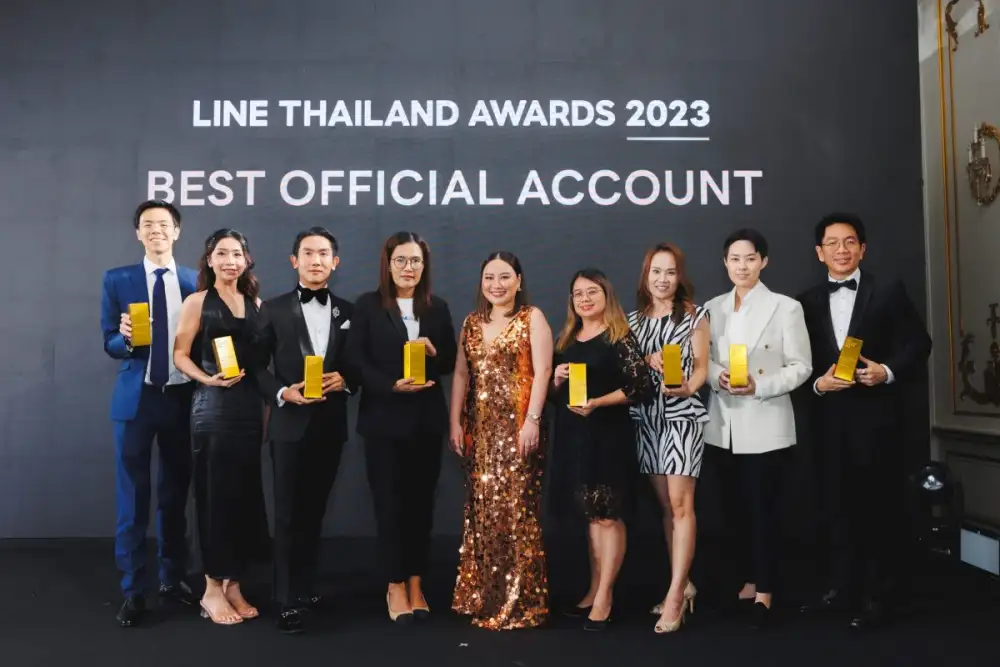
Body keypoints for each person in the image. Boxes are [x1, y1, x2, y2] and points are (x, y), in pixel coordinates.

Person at [797, 213, 931, 630]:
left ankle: (877, 596)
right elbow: (798, 364)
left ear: (863, 249)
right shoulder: (805, 302)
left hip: (877, 422)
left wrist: (885, 371)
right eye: (832, 243)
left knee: (878, 508)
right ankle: (839, 589)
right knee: (833, 507)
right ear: (819, 252)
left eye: (850, 242)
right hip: (827, 423)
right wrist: (818, 385)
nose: (842, 250)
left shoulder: (888, 291)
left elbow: (919, 343)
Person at [703, 228, 812, 629]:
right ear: (725, 263)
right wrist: (716, 377)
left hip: (766, 422)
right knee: (732, 511)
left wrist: (760, 386)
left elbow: (801, 366)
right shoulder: (712, 308)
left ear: (763, 261)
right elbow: (703, 359)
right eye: (735, 259)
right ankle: (747, 581)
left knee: (765, 510)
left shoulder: (785, 307)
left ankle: (766, 588)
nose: (742, 266)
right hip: (723, 424)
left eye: (750, 258)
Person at [346, 231, 457, 624]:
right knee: (390, 504)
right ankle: (394, 583)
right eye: (401, 261)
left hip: (425, 421)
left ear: (424, 266)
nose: (408, 268)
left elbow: (449, 362)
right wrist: (390, 385)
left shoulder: (438, 308)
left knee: (421, 506)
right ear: (388, 264)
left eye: (415, 261)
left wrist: (435, 352)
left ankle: (415, 581)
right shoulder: (368, 305)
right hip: (384, 421)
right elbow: (355, 361)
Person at [252, 227, 357, 635]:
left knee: (314, 512)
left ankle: (305, 586)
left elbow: (359, 364)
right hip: (289, 426)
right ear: (294, 261)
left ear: (335, 262)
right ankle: (286, 599)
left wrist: (346, 379)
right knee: (287, 514)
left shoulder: (349, 311)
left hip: (330, 426)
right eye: (308, 253)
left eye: (324, 253)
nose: (316, 260)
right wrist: (282, 393)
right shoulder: (272, 309)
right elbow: (255, 367)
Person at [100, 200, 199, 627]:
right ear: (138, 233)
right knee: (133, 497)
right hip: (135, 400)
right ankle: (133, 589)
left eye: (163, 224)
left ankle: (172, 578)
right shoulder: (118, 279)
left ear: (176, 231)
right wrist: (123, 338)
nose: (156, 230)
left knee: (175, 494)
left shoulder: (196, 281)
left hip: (181, 398)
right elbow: (108, 341)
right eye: (147, 225)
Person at [450, 252, 553, 630]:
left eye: (505, 277)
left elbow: (543, 371)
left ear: (519, 281)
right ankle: (483, 595)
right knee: (483, 512)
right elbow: (461, 375)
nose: (497, 284)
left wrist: (532, 421)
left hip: (519, 432)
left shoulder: (532, 318)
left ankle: (521, 601)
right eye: (489, 277)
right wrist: (455, 422)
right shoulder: (471, 322)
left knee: (515, 513)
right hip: (479, 432)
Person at [172, 229, 269, 626]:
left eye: (237, 254)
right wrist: (206, 379)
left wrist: (266, 412)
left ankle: (233, 583)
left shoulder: (256, 303)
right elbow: (180, 354)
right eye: (222, 254)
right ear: (209, 260)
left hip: (249, 408)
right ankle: (211, 587)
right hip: (212, 407)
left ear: (247, 260)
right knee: (214, 495)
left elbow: (261, 365)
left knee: (244, 495)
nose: (230, 261)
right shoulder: (197, 301)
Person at [551, 268, 654, 631]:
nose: (584, 299)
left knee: (609, 516)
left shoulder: (618, 336)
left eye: (592, 292)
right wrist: (555, 380)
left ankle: (606, 596)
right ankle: (595, 589)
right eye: (578, 294)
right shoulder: (566, 338)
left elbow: (641, 387)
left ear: (606, 295)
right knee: (593, 516)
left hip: (608, 436)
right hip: (575, 438)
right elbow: (553, 397)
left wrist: (597, 402)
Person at [627, 243, 710, 634]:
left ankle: (675, 595)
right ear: (646, 276)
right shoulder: (632, 321)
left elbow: (702, 369)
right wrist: (647, 359)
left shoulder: (695, 316)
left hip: (682, 417)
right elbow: (628, 369)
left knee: (681, 505)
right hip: (646, 420)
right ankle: (684, 581)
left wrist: (688, 388)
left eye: (670, 272)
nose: (662, 279)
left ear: (680, 276)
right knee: (665, 508)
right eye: (656, 271)